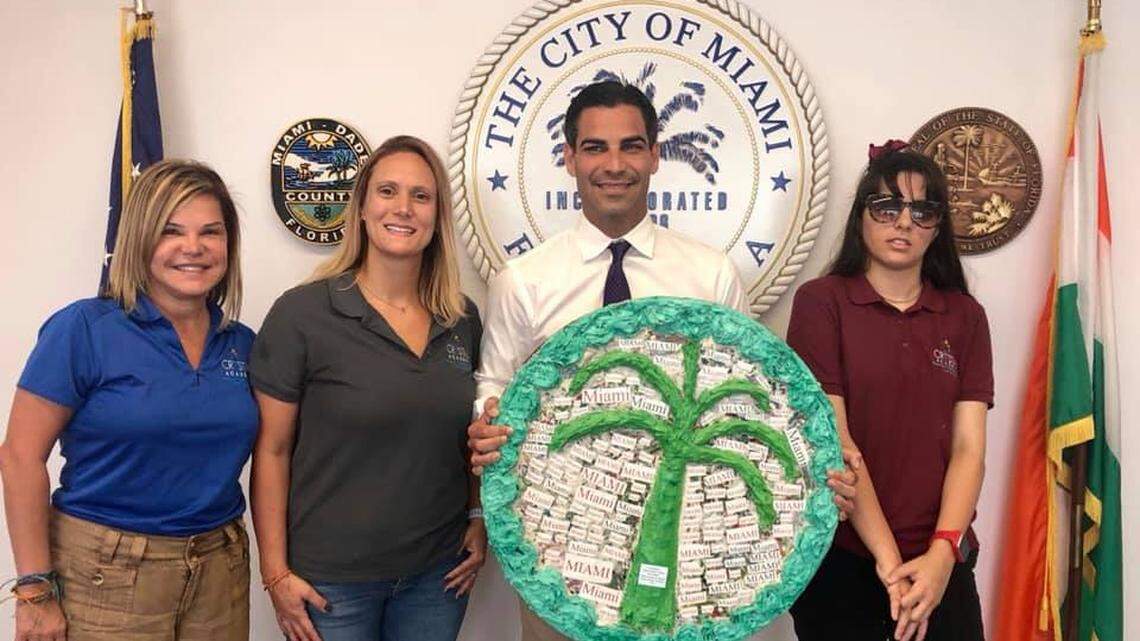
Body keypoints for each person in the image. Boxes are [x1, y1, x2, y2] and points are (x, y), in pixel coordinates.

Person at [466, 80, 860, 641]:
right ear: (570, 158)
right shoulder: (523, 281)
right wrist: (487, 421)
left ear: (655, 155)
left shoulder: (711, 274)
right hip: (559, 563)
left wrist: (812, 476)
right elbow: (496, 381)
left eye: (631, 146)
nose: (614, 164)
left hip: (688, 577)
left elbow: (754, 399)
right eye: (595, 148)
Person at [0, 160, 256, 641]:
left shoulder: (243, 344)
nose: (194, 247)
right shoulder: (83, 329)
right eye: (171, 231)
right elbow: (19, 457)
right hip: (106, 573)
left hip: (220, 571)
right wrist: (34, 590)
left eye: (211, 232)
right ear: (140, 239)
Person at [249, 135, 485, 641]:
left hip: (436, 577)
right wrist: (274, 574)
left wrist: (478, 515)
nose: (403, 208)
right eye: (387, 192)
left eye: (421, 196)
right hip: (332, 583)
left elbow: (473, 438)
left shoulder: (462, 318)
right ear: (360, 208)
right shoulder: (303, 313)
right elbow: (271, 449)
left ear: (437, 215)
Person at [786, 141, 992, 641]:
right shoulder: (822, 303)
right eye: (887, 206)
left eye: (922, 210)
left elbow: (969, 449)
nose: (904, 222)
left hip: (942, 564)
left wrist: (943, 555)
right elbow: (837, 445)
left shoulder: (964, 315)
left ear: (937, 226)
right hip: (846, 561)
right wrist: (889, 562)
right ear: (862, 217)